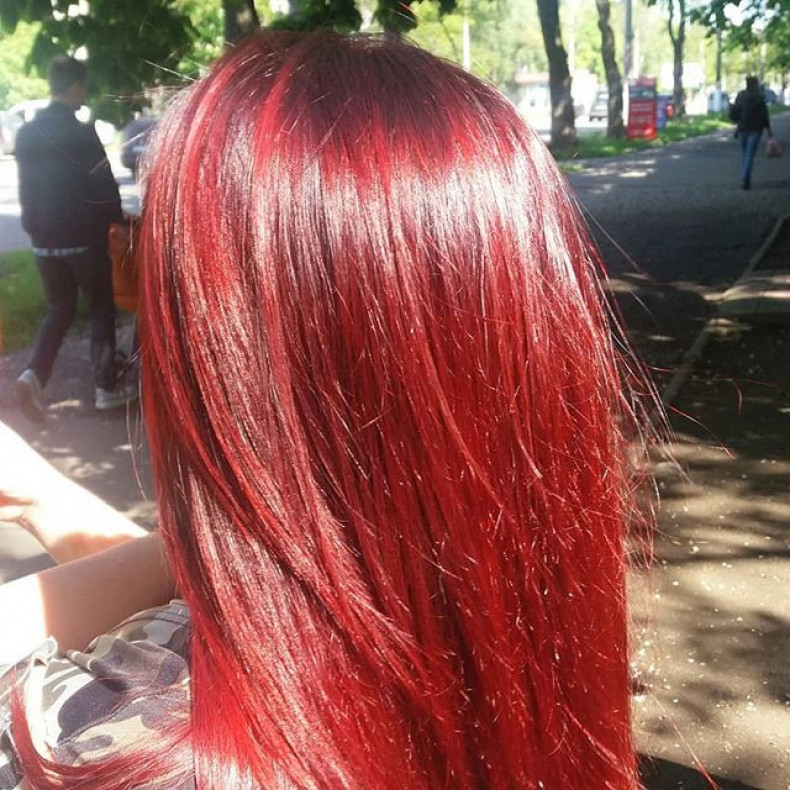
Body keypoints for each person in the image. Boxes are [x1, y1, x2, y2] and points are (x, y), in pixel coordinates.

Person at [0, 33, 653, 788]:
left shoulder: (86, 746)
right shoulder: (522, 630)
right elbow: (246, 594)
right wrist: (43, 498)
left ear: (218, 354)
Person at [13, 55, 137, 420]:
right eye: (83, 87)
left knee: (60, 309)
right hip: (83, 240)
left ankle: (33, 375)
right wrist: (119, 219)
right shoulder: (81, 133)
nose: (85, 94)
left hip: (43, 243)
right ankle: (106, 387)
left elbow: (28, 188)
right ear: (75, 87)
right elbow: (102, 185)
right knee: (101, 307)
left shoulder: (26, 133)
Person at [731, 75, 773, 190]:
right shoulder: (759, 97)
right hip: (755, 130)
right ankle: (745, 178)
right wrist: (769, 131)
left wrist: (737, 125)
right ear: (755, 84)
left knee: (745, 153)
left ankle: (745, 177)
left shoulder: (741, 95)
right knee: (749, 154)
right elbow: (764, 115)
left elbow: (736, 112)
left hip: (742, 129)